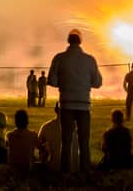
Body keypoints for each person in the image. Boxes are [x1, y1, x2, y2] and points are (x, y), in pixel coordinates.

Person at [47, 28, 104, 174]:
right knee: (84, 141)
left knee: (66, 142)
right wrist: (84, 83)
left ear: (68, 41)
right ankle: (85, 171)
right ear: (80, 41)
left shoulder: (59, 58)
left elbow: (52, 81)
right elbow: (97, 82)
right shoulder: (89, 59)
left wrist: (64, 82)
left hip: (66, 104)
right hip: (84, 105)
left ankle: (65, 172)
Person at [36, 106, 64, 172]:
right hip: (73, 169)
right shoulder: (76, 127)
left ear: (55, 110)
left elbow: (38, 144)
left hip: (51, 168)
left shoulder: (46, 126)